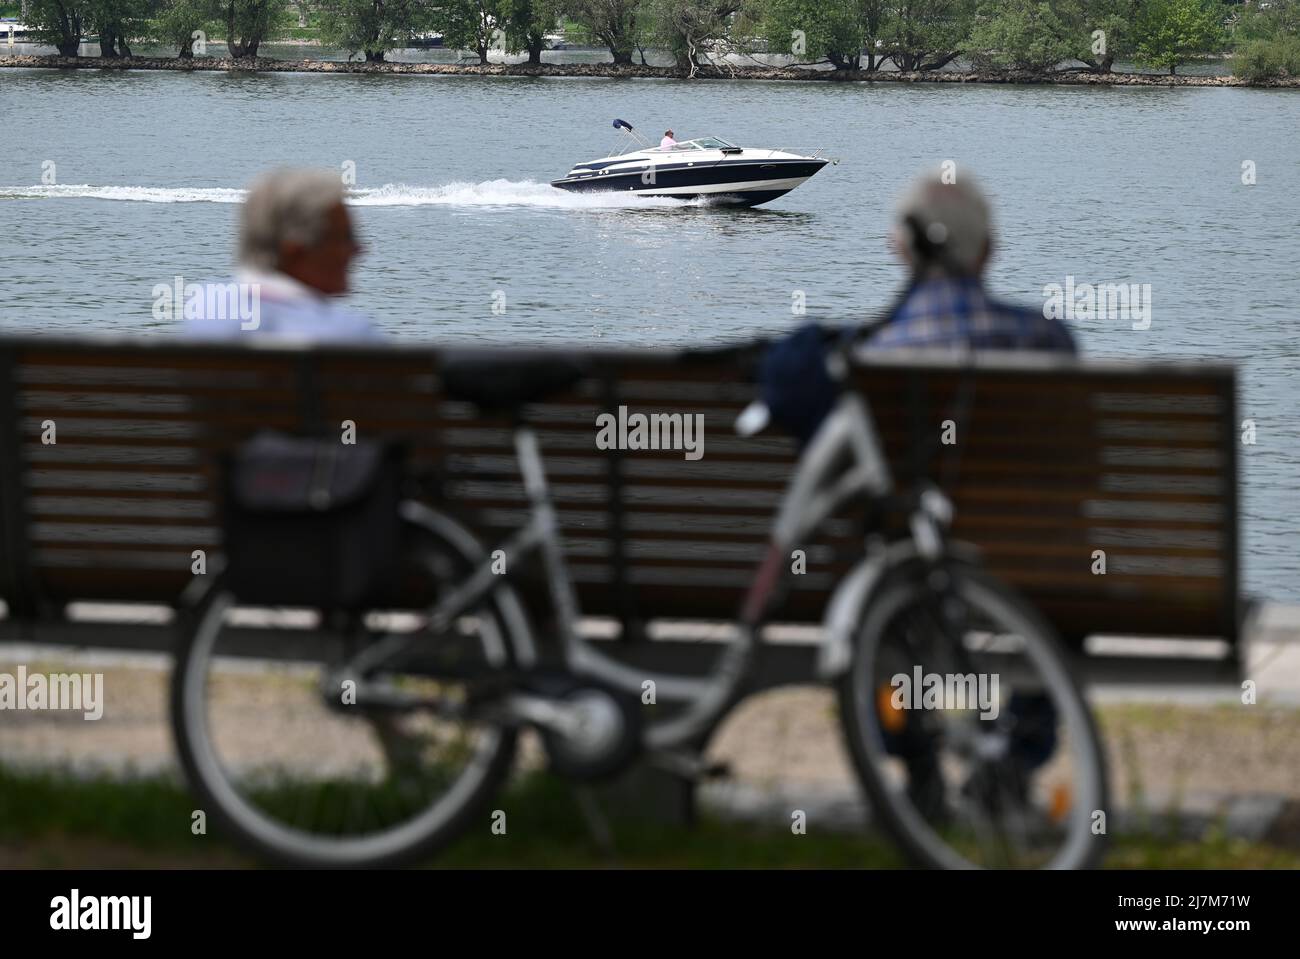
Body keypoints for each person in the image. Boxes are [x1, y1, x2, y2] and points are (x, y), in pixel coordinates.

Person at [183, 168, 382, 341]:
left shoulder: (206, 307)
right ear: (294, 248)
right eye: (345, 237)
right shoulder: (350, 335)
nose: (359, 249)